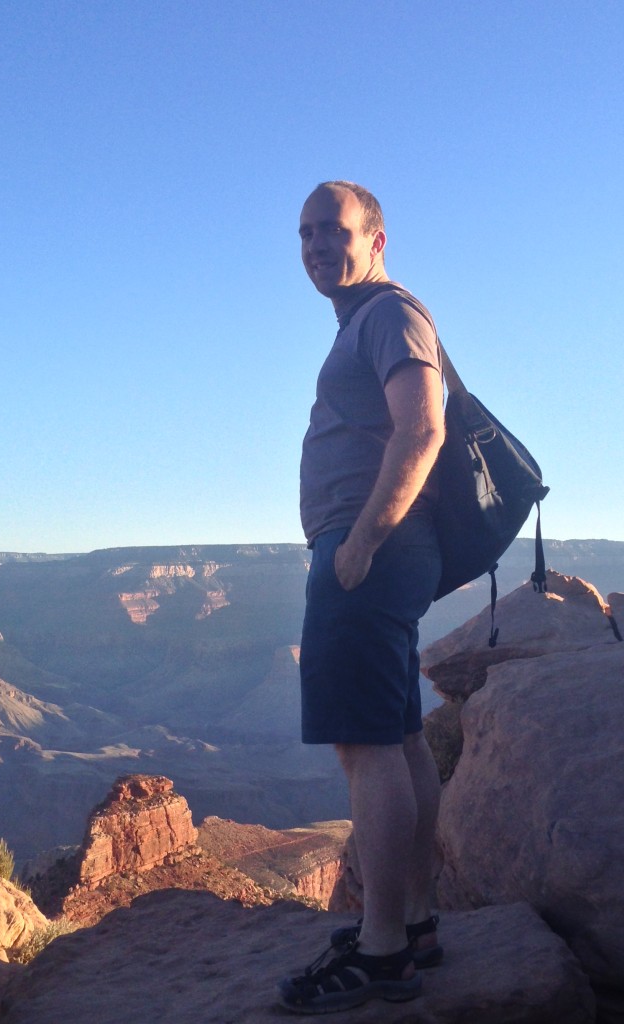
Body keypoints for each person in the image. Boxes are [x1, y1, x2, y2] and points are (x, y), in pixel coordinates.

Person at [277, 181, 445, 1014]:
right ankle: (412, 923)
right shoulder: (366, 320)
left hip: (369, 551)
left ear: (376, 239)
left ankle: (381, 952)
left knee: (365, 746)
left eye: (332, 230)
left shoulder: (387, 315)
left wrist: (363, 541)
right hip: (375, 550)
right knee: (400, 733)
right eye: (304, 232)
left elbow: (423, 427)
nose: (314, 245)